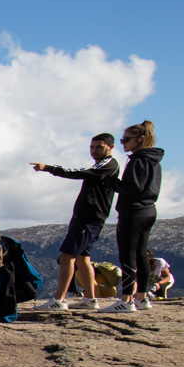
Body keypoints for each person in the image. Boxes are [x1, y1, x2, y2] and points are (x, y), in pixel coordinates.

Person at [30, 133, 119, 308]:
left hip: (89, 218)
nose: (94, 151)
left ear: (110, 147)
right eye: (92, 147)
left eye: (99, 147)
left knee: (67, 257)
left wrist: (49, 168)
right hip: (88, 217)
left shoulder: (108, 165)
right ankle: (90, 299)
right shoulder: (102, 164)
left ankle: (59, 300)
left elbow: (81, 173)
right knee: (82, 258)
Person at [104, 121, 163, 312]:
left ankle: (126, 300)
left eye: (126, 139)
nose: (123, 143)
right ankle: (142, 298)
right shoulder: (153, 159)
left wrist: (112, 182)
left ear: (140, 139)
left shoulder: (138, 160)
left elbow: (133, 187)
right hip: (149, 210)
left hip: (133, 212)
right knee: (141, 255)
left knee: (128, 255)